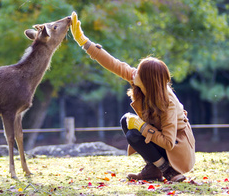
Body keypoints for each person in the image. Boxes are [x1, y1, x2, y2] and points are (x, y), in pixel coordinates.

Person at [70, 11, 195, 182]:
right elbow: (114, 64)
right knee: (126, 122)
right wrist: (84, 42)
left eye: (139, 71)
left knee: (134, 134)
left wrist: (142, 126)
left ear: (148, 80)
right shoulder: (142, 83)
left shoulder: (169, 103)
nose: (133, 72)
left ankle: (168, 171)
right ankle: (153, 168)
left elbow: (168, 142)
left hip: (177, 150)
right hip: (162, 141)